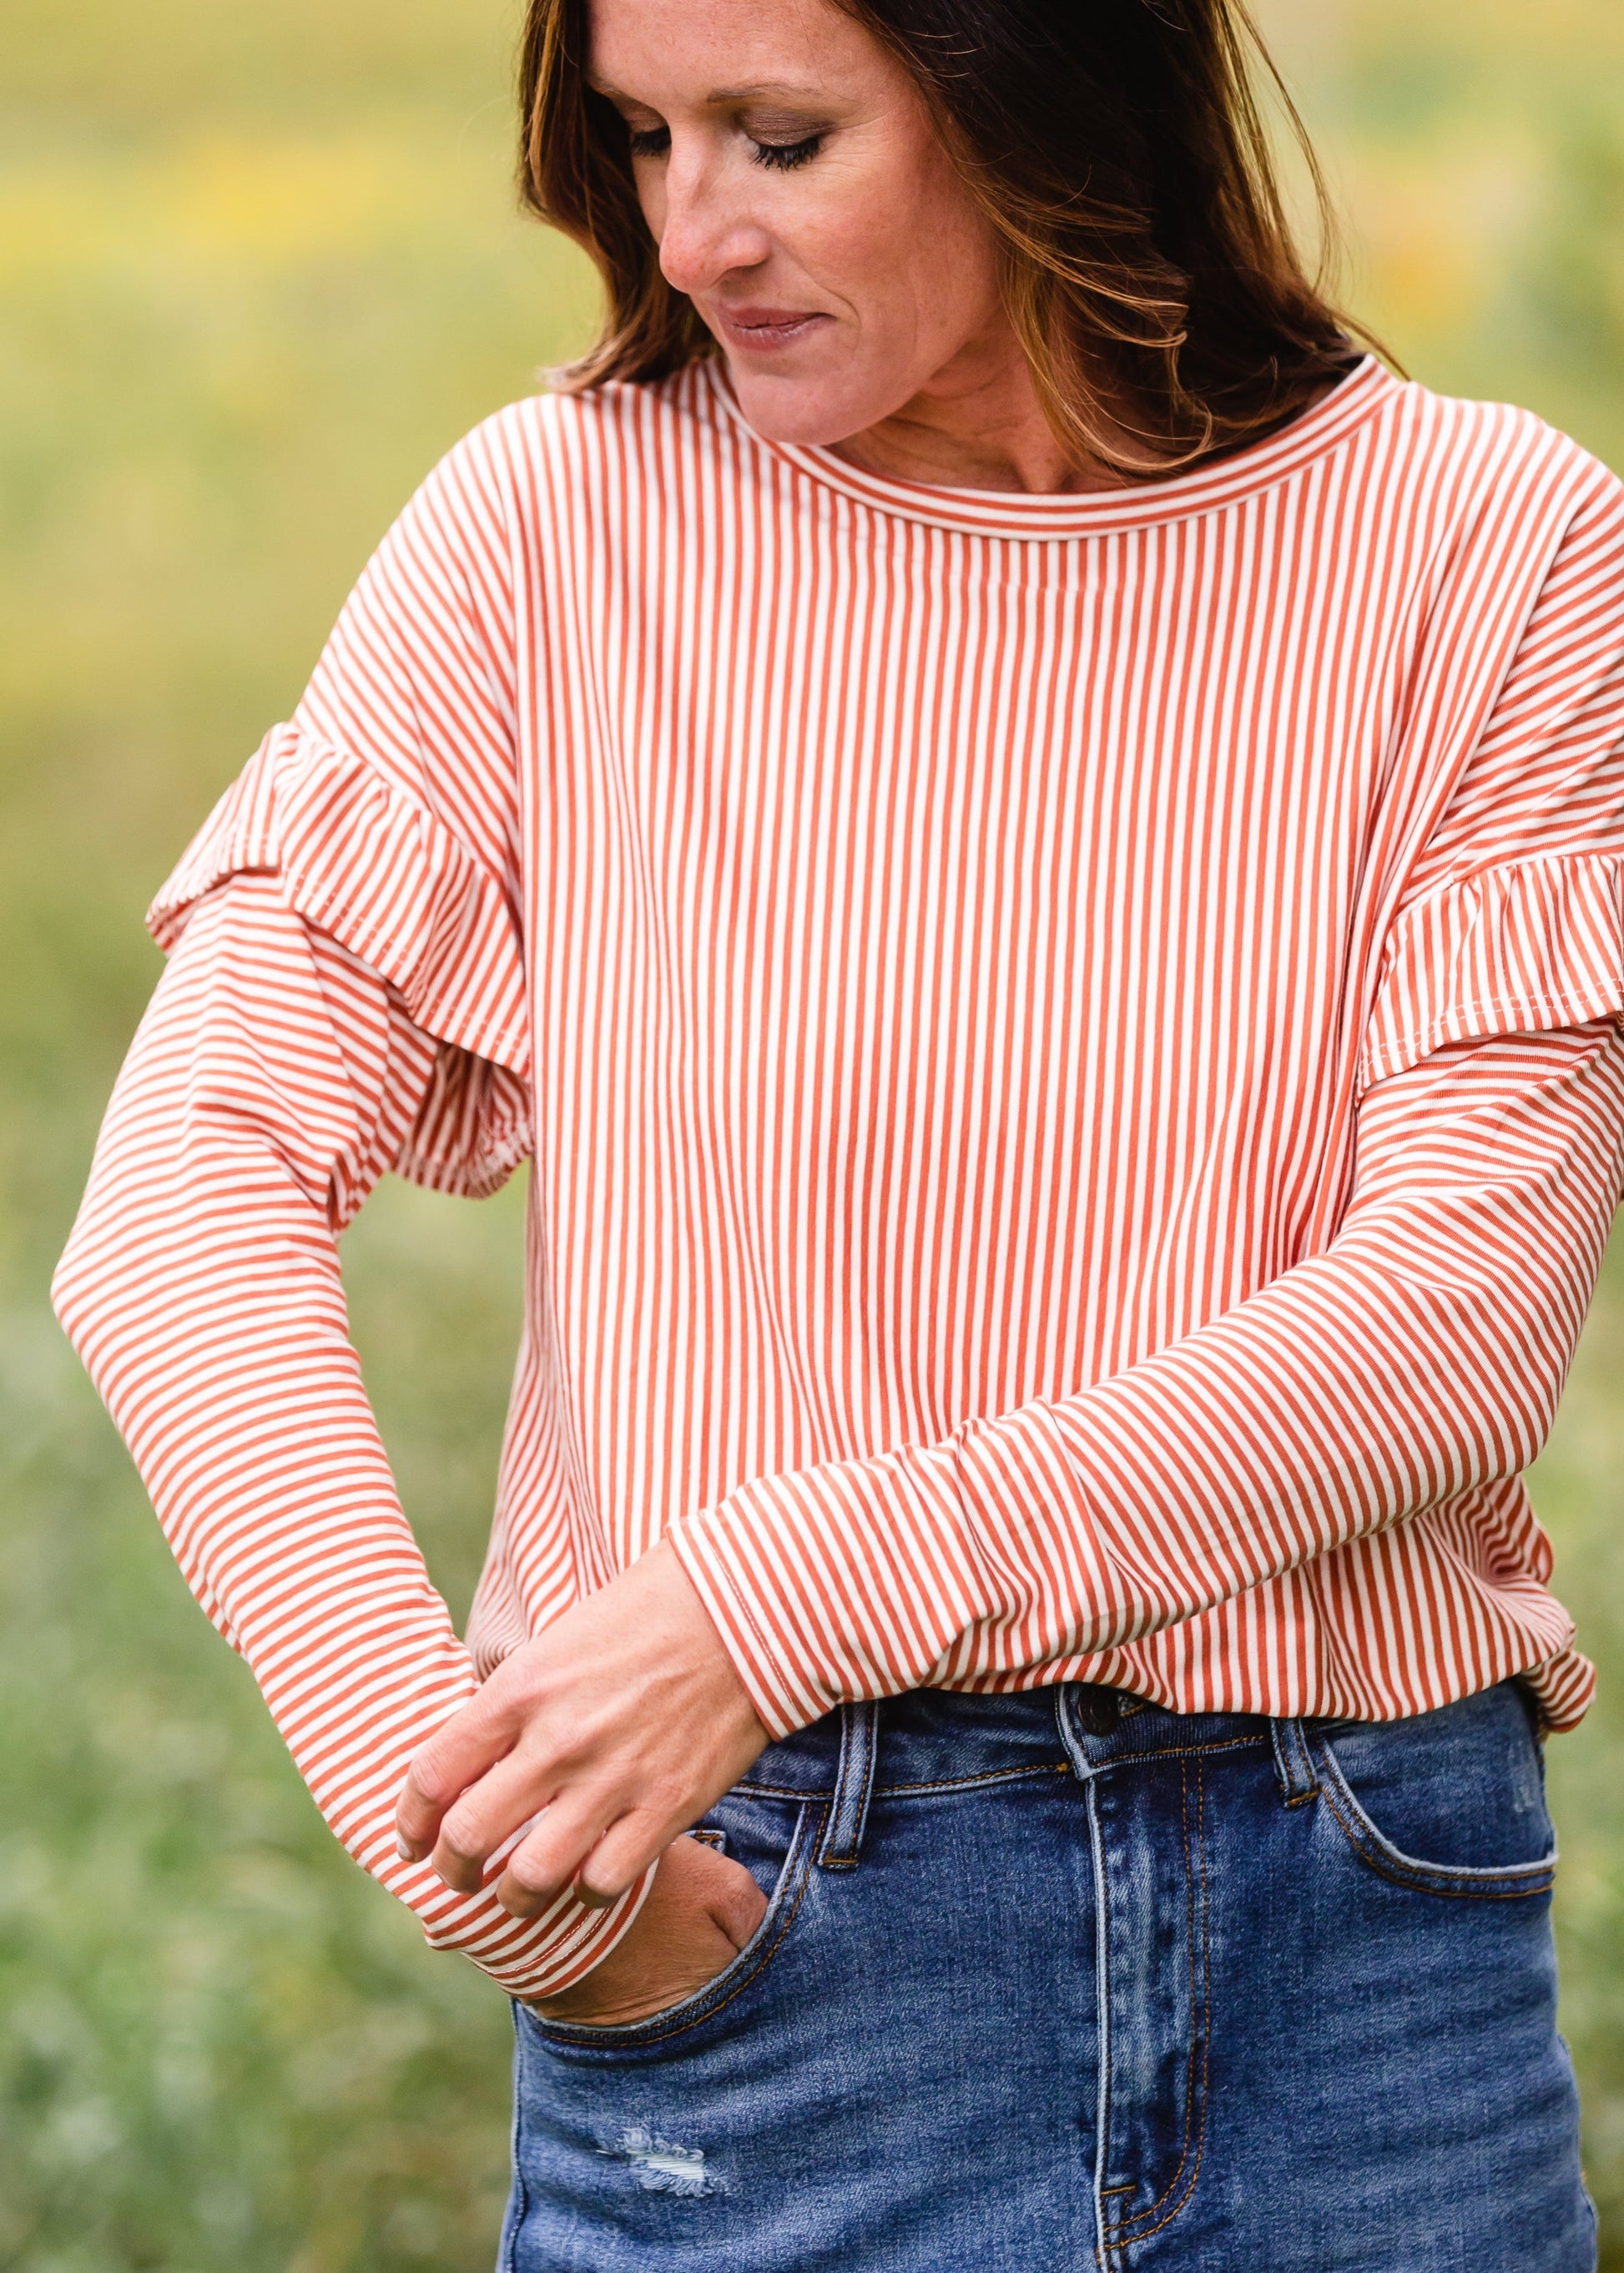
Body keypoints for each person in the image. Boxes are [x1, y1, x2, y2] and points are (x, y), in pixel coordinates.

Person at [53, 0, 1624, 2263]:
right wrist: (482, 1845)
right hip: (762, 1936)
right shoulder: (556, 531)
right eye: (640, 136)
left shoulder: (1497, 553)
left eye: (776, 135)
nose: (688, 232)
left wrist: (764, 1594)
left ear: (1038, 91)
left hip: (1360, 1954)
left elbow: (1453, 1323)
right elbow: (180, 1210)